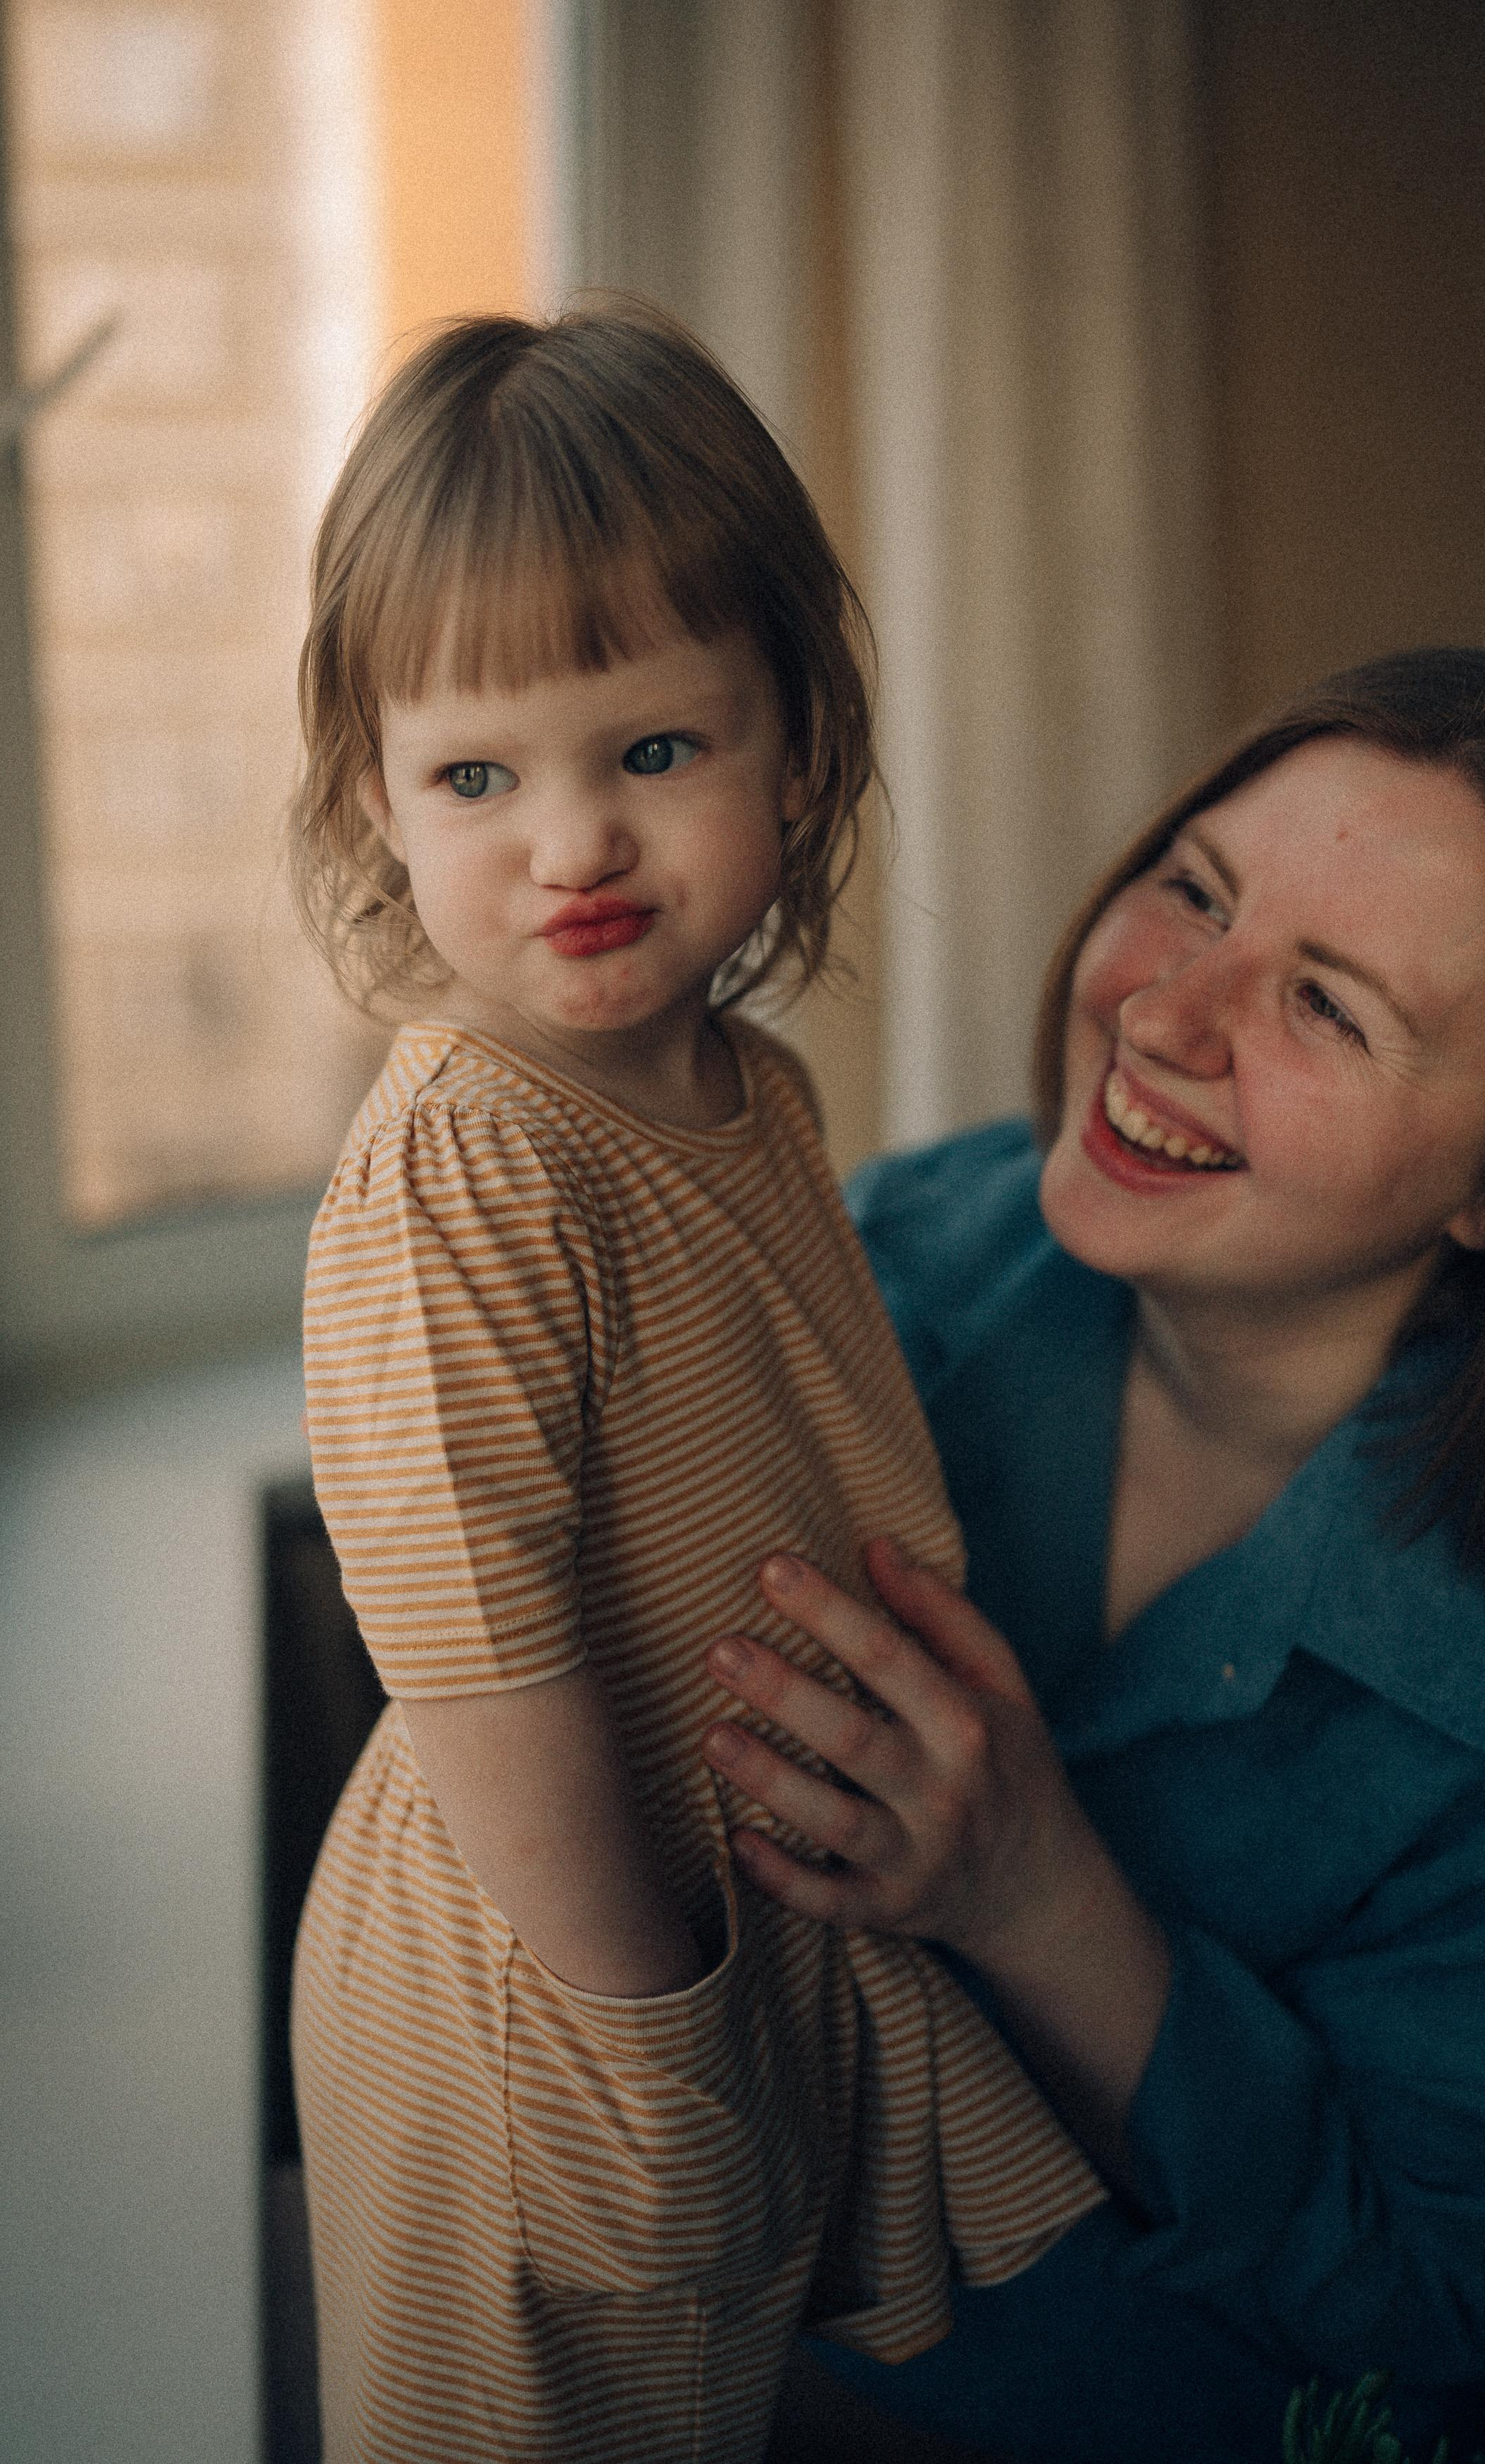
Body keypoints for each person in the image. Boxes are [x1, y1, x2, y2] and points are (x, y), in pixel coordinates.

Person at [287, 303, 1104, 2464]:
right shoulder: (467, 1154)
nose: (573, 847)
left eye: (653, 753)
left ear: (798, 751)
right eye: (480, 776)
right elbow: (479, 1656)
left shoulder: (744, 1083)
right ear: (378, 791)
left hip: (706, 1914)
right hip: (557, 1973)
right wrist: (656, 2040)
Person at [705, 648, 1485, 2464]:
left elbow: (1430, 2301)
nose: (1166, 1014)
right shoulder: (870, 1263)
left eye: (1330, 1007)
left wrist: (1041, 1901)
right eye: (1193, 892)